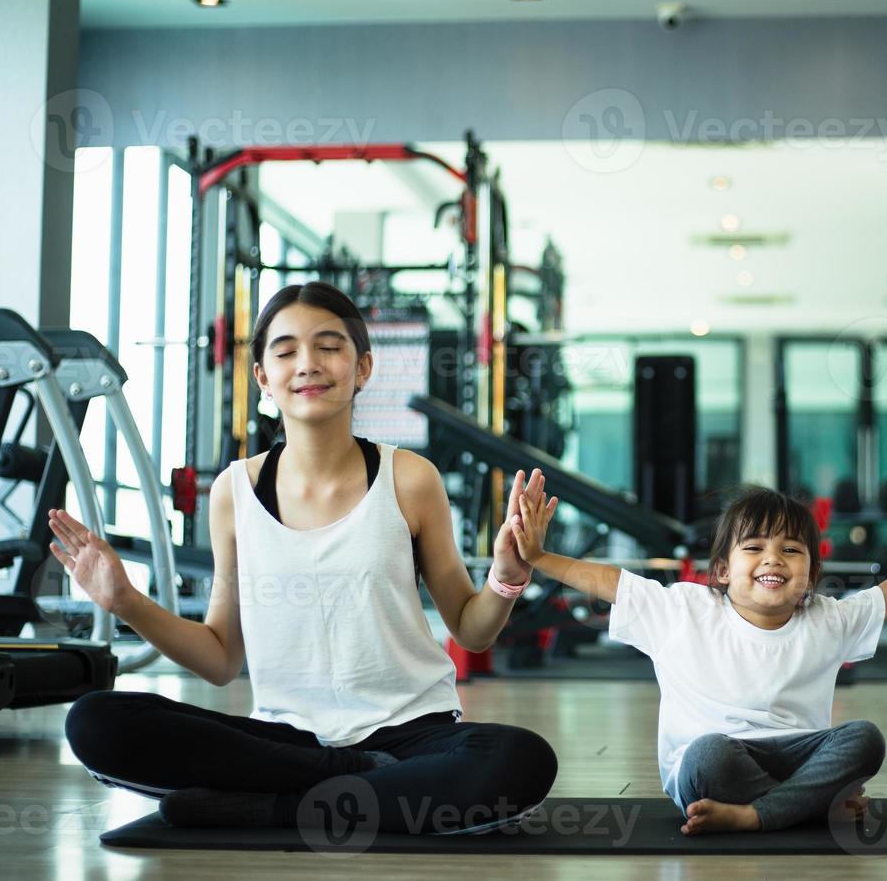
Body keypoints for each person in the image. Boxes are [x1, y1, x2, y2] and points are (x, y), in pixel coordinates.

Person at [53, 280, 557, 835]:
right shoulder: (233, 492)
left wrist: (507, 577)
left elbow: (471, 629)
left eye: (329, 347)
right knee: (97, 721)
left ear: (362, 368)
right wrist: (124, 600)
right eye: (287, 351)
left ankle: (279, 807)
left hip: (411, 735)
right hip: (288, 740)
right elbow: (221, 658)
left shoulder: (410, 479)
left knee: (519, 758)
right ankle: (346, 786)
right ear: (263, 377)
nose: (308, 364)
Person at [510, 480, 887, 835]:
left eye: (790, 551)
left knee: (864, 739)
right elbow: (610, 582)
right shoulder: (684, 609)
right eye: (754, 548)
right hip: (713, 768)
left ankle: (757, 815)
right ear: (721, 571)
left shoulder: (826, 618)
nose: (773, 560)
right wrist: (538, 556)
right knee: (709, 752)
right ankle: (807, 805)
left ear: (811, 574)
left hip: (796, 757)